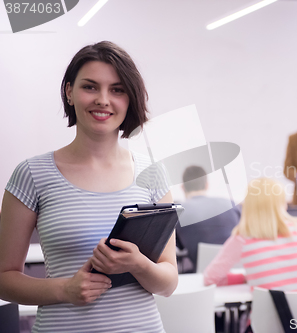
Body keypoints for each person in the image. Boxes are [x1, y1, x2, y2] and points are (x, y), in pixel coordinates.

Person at [0, 41, 177, 333]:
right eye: (90, 87)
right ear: (69, 92)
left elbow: (168, 282)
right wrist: (64, 290)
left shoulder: (152, 171)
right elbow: (4, 279)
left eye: (117, 90)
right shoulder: (32, 173)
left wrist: (139, 265)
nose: (103, 100)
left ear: (129, 99)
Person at [204, 178, 297, 291]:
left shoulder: (242, 238)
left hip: (268, 321)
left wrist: (245, 278)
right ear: (282, 203)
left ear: (248, 206)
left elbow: (210, 278)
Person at [176, 165, 240, 271]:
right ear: (206, 185)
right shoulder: (231, 205)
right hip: (235, 271)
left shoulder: (178, 211)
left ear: (183, 187)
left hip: (200, 275)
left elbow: (177, 248)